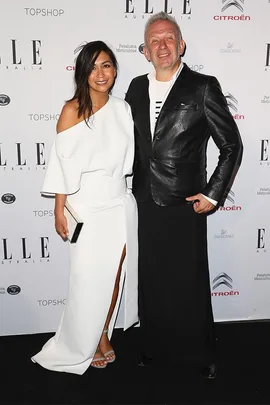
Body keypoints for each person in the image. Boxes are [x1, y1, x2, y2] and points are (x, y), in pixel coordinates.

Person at [125, 12, 243, 378]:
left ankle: (198, 353)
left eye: (169, 38)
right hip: (144, 198)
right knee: (152, 278)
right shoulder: (134, 87)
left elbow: (231, 145)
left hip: (185, 202)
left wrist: (213, 193)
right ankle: (153, 346)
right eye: (155, 41)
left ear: (181, 45)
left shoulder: (202, 86)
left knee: (188, 280)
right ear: (145, 50)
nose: (162, 46)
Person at [31, 41, 138, 375]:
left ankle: (102, 335)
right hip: (87, 207)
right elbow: (61, 165)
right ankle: (84, 342)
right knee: (87, 280)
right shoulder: (72, 109)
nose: (100, 73)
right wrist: (58, 209)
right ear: (82, 72)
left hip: (119, 203)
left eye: (106, 65)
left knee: (115, 277)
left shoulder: (122, 109)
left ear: (115, 69)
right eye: (92, 67)